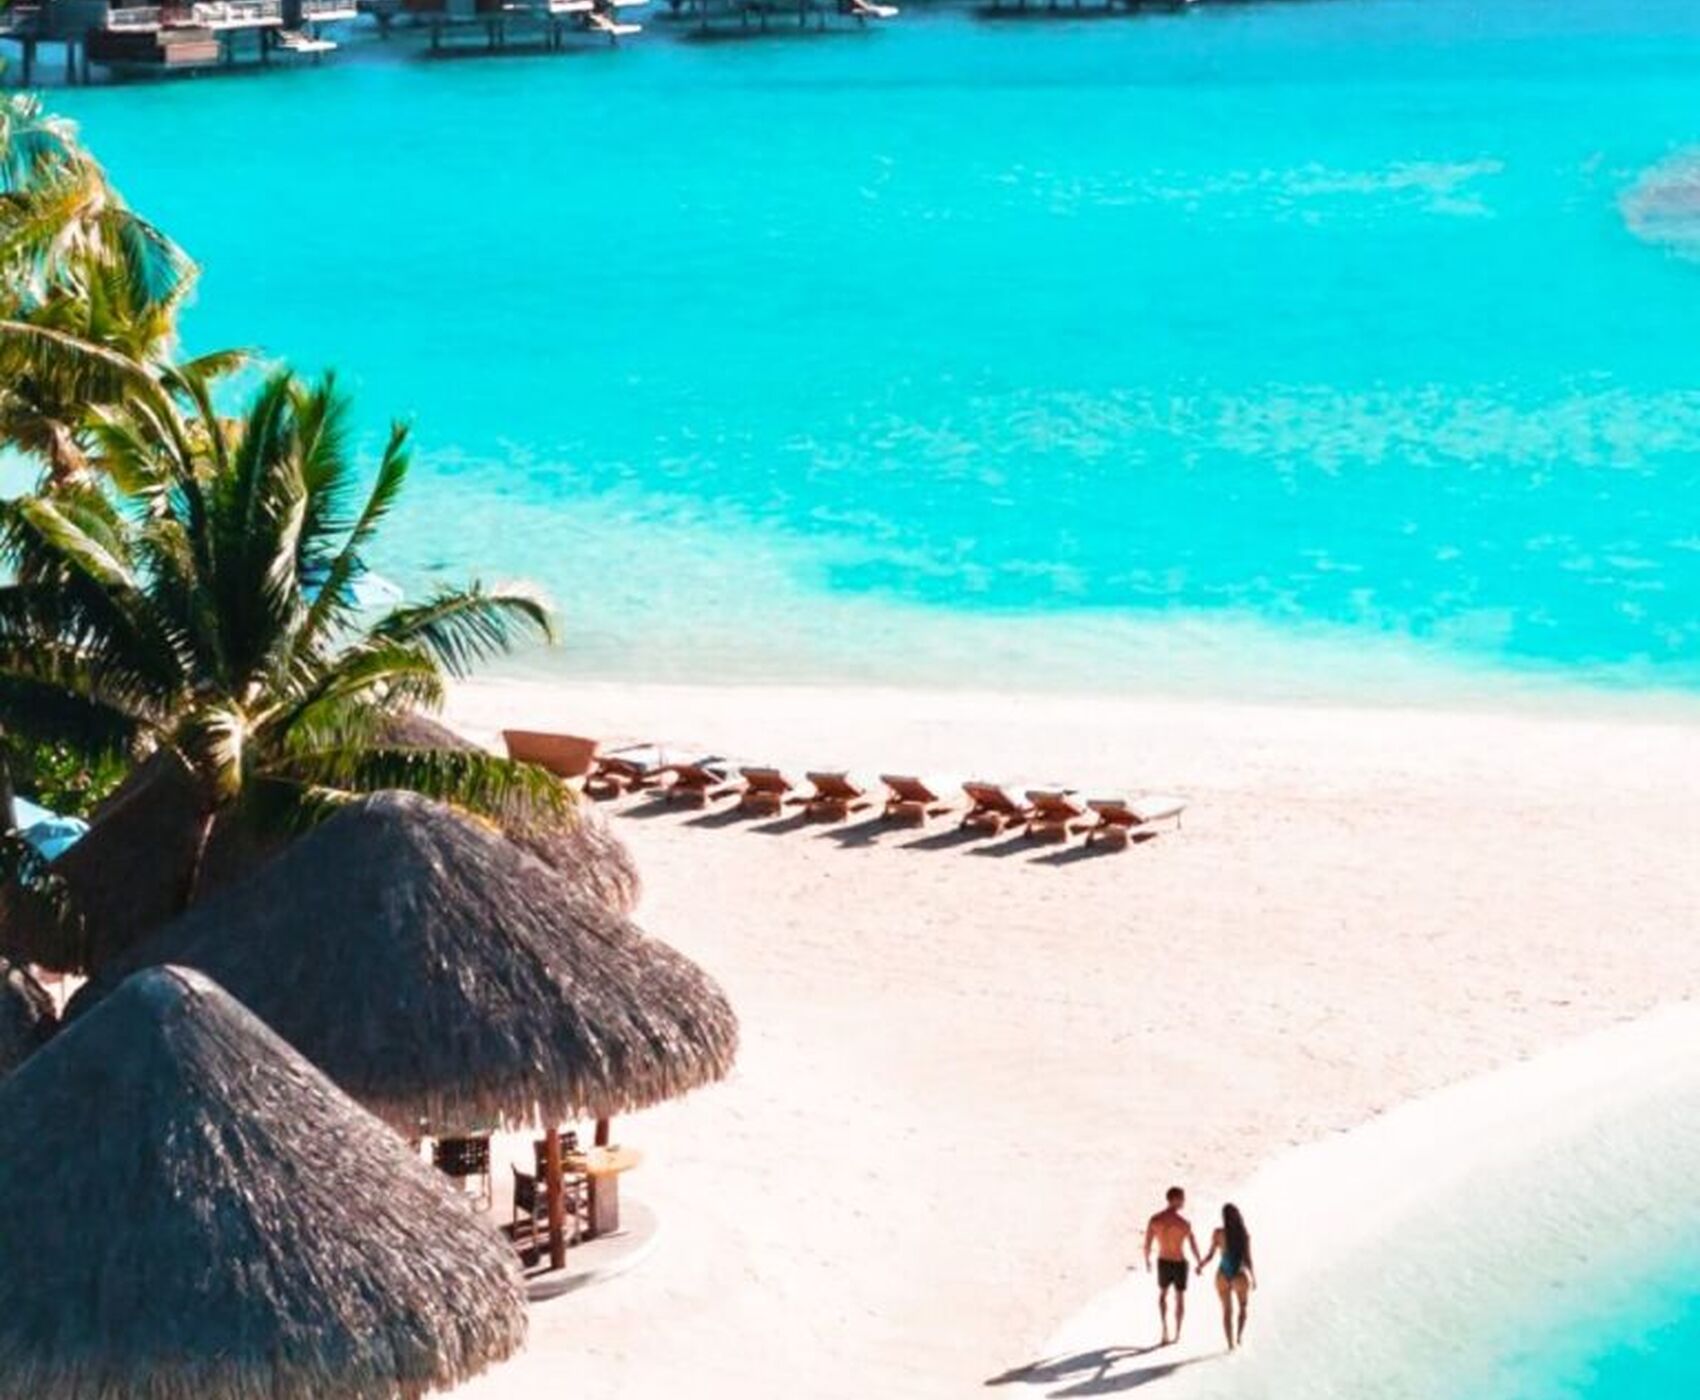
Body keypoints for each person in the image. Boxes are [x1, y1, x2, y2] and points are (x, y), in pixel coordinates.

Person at [1143, 1186, 1202, 1345]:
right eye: (1182, 1198)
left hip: (1163, 1261)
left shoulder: (1155, 1220)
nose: (1184, 1201)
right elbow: (1193, 1244)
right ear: (1175, 1199)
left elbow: (1147, 1244)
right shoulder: (1183, 1223)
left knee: (1163, 1294)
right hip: (1179, 1263)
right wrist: (1199, 1262)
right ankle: (1177, 1333)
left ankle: (1164, 1329)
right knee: (1179, 1297)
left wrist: (1147, 1260)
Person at [1196, 1202, 1257, 1350]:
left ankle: (1230, 1344)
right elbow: (1247, 1259)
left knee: (1227, 1312)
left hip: (1222, 1274)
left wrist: (1200, 1265)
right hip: (1239, 1275)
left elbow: (1210, 1255)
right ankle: (1239, 1337)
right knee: (1243, 1308)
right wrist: (1253, 1277)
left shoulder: (1218, 1233)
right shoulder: (1244, 1235)